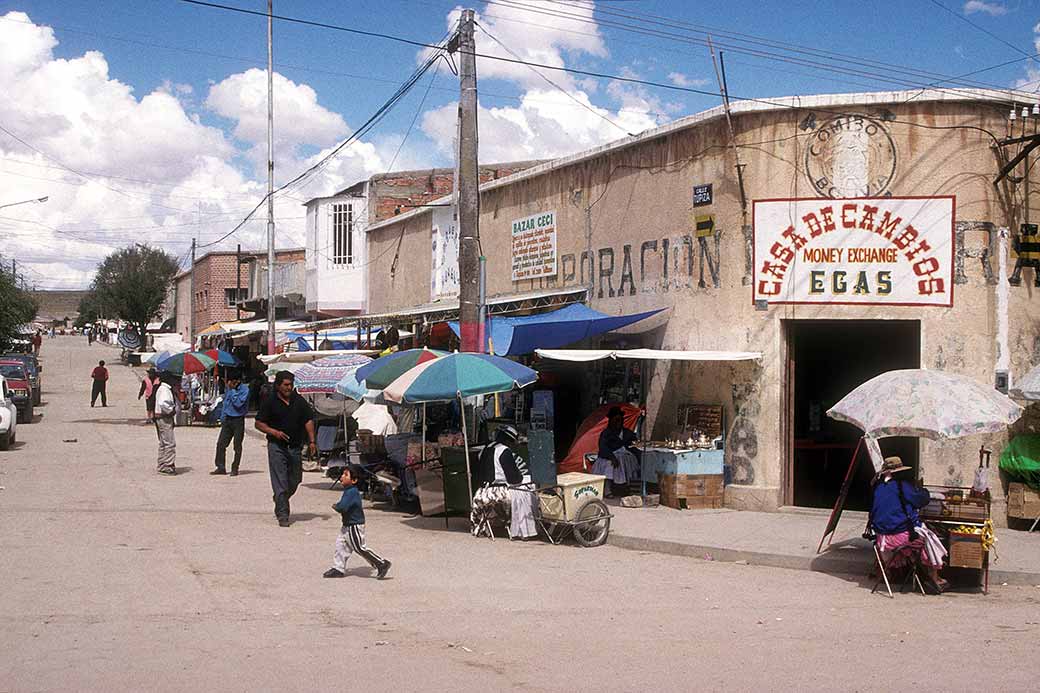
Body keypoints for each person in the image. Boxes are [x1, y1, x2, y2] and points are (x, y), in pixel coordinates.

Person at [870, 456, 949, 594]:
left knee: (917, 533)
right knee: (929, 539)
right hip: (898, 536)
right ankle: (934, 578)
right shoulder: (902, 487)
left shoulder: (879, 487)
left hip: (880, 537)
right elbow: (922, 500)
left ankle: (889, 572)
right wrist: (920, 489)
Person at [255, 371, 316, 527]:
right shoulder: (270, 402)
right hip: (277, 447)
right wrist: (274, 432)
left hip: (295, 447)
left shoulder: (299, 401)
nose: (289, 388)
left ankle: (280, 498)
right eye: (286, 385)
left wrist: (312, 441)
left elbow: (308, 420)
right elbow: (259, 423)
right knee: (280, 480)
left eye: (291, 384)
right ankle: (283, 513)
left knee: (296, 479)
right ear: (278, 386)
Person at [323, 465, 392, 579]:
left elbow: (343, 506)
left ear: (354, 480)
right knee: (341, 545)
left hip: (354, 525)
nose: (342, 477)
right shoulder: (349, 491)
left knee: (359, 547)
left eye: (346, 475)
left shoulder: (351, 492)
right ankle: (338, 568)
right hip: (348, 524)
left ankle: (381, 563)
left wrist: (337, 506)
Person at [473, 425, 537, 539]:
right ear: (507, 440)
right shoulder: (504, 451)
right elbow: (514, 479)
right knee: (527, 490)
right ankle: (524, 530)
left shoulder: (485, 449)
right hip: (498, 492)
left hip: (482, 492)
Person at [592, 406, 640, 496]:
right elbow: (603, 448)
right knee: (610, 463)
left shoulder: (627, 433)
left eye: (620, 420)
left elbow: (634, 445)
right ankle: (607, 489)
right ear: (611, 421)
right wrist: (612, 457)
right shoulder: (606, 433)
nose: (618, 423)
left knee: (630, 461)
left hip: (626, 456)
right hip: (609, 456)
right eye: (616, 420)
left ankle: (627, 487)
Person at [212, 370, 250, 476]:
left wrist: (233, 391)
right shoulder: (229, 389)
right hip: (228, 419)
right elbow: (226, 403)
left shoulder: (244, 390)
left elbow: (238, 404)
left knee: (237, 445)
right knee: (221, 444)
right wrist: (223, 417)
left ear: (236, 381)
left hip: (238, 419)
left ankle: (235, 467)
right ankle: (220, 467)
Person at [153, 372, 179, 475]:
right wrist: (171, 410)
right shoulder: (165, 390)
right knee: (170, 443)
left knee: (163, 443)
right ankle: (167, 465)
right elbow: (163, 403)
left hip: (160, 418)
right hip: (164, 418)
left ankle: (161, 463)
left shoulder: (162, 388)